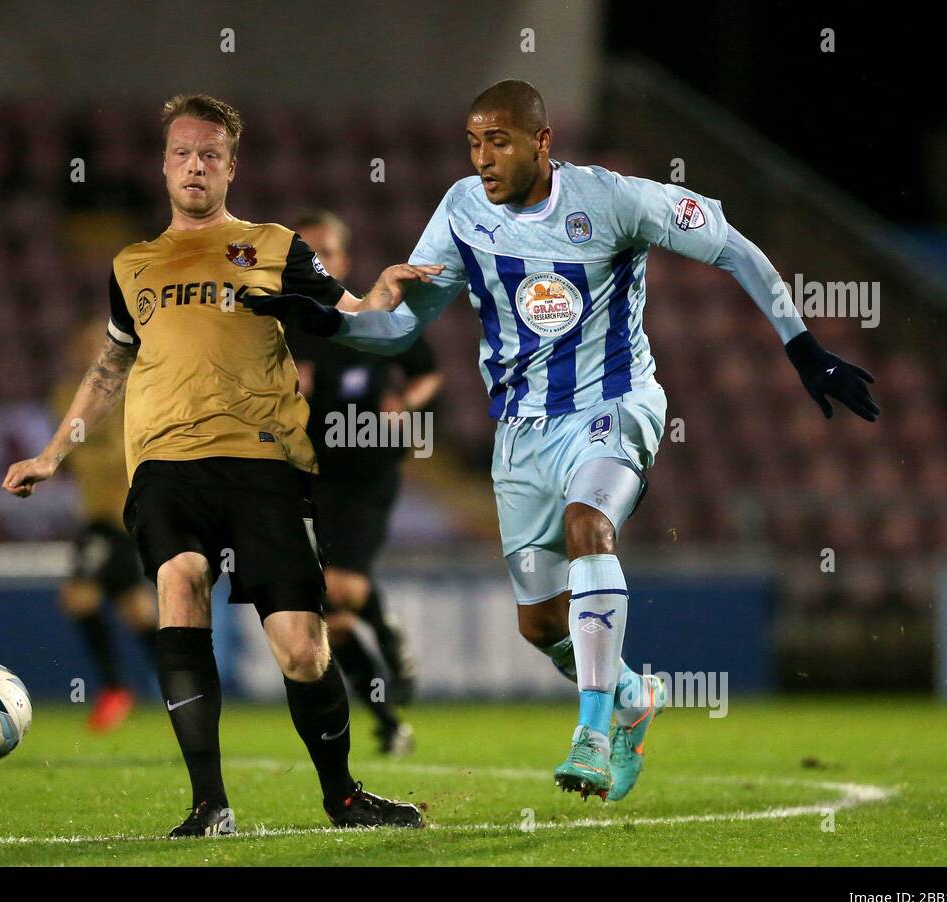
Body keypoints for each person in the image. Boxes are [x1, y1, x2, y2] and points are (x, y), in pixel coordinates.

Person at [249, 79, 879, 802]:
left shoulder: (611, 199)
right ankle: (634, 695)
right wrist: (322, 318)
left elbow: (732, 246)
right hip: (521, 433)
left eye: (500, 141)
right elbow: (396, 329)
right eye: (474, 142)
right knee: (541, 625)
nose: (484, 157)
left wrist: (803, 346)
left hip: (615, 407)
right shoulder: (460, 211)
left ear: (543, 142)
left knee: (590, 525)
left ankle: (591, 732)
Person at [4, 93, 440, 837]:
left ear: (231, 166)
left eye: (210, 154)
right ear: (165, 165)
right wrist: (54, 452)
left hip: (265, 463)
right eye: (182, 153)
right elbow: (110, 366)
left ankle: (342, 797)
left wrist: (385, 298)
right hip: (167, 465)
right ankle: (210, 803)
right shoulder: (132, 266)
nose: (195, 165)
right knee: (180, 583)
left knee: (303, 649)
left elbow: (349, 315)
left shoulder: (274, 246)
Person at [284, 210, 441, 756]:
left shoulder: (374, 317)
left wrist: (404, 402)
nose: (320, 261)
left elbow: (427, 372)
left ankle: (388, 629)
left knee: (341, 589)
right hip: (319, 474)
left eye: (328, 251)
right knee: (334, 616)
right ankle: (388, 718)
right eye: (310, 253)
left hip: (371, 470)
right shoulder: (293, 325)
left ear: (344, 261)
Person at [49, 317, 159, 733]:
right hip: (99, 514)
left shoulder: (137, 392)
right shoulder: (65, 396)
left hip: (120, 517)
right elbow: (71, 454)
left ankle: (116, 687)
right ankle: (182, 688)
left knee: (79, 597)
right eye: (86, 344)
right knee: (135, 609)